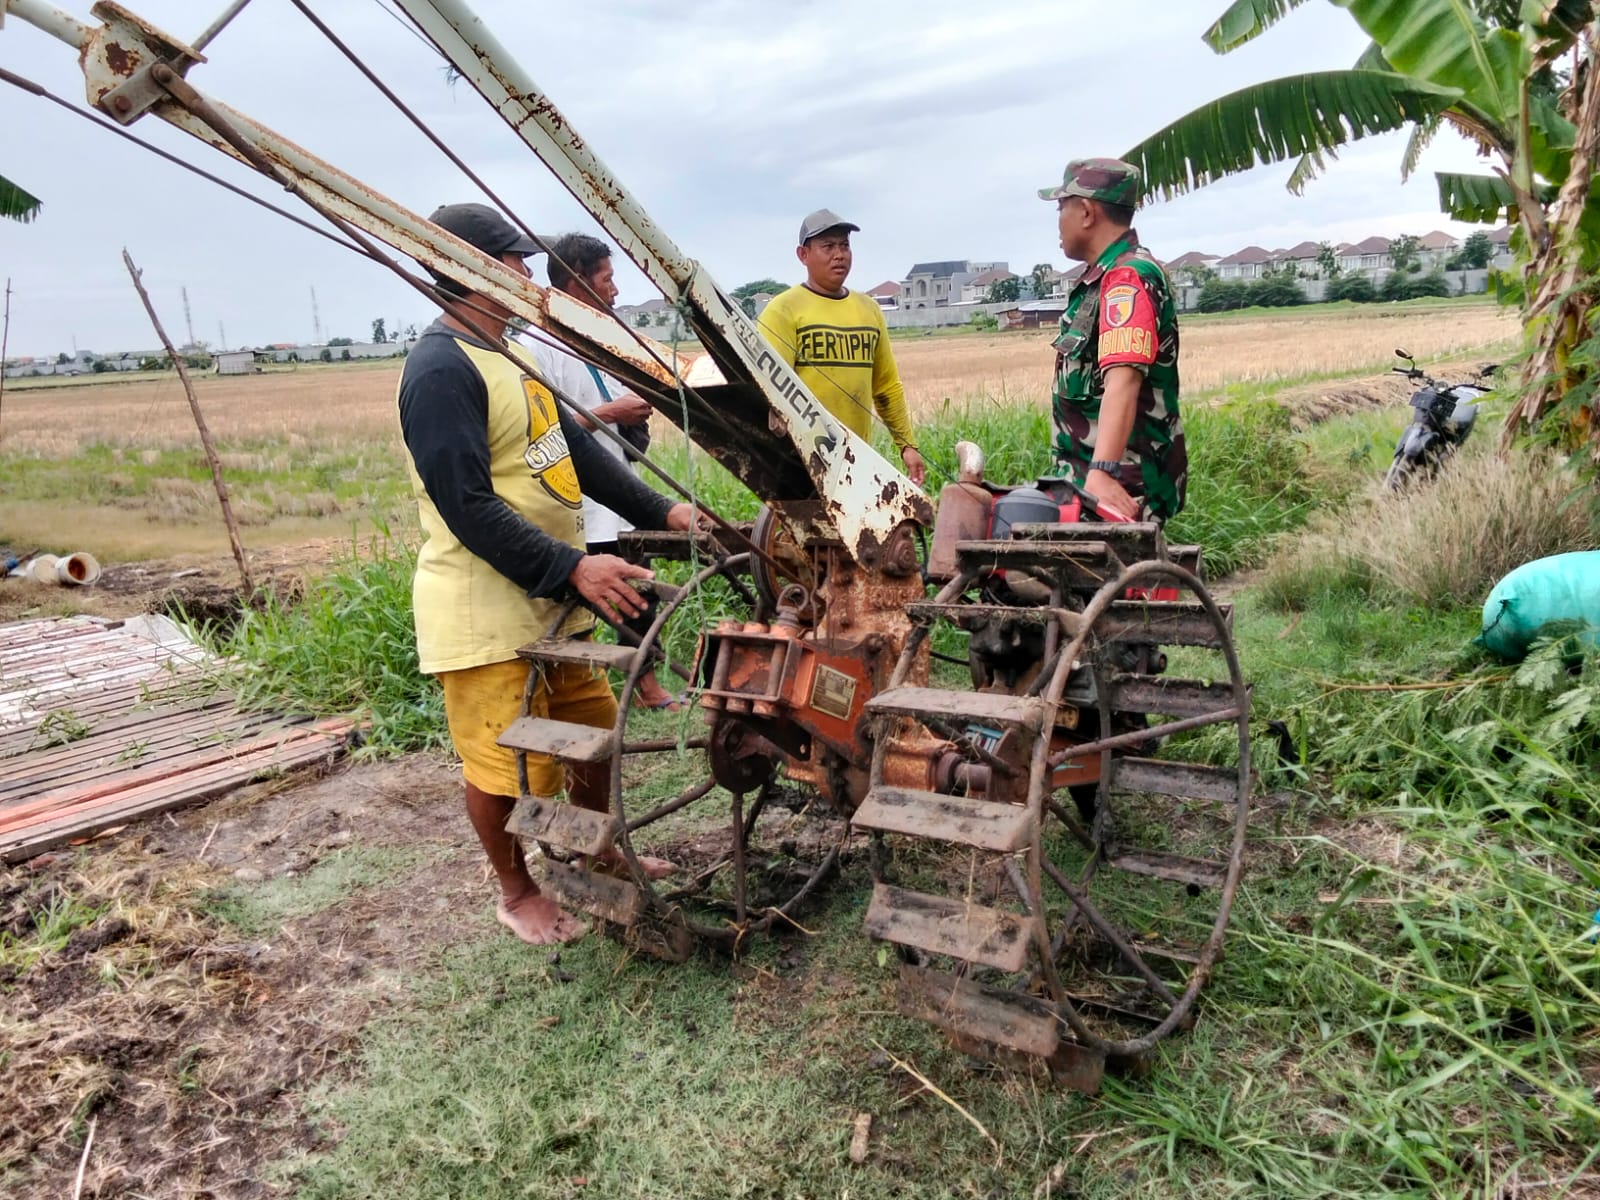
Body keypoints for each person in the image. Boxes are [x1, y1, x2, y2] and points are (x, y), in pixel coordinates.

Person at [398, 202, 696, 946]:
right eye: (514, 262)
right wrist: (572, 564)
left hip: (554, 602)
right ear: (469, 267)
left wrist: (667, 510)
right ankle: (516, 889)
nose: (528, 276)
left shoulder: (507, 354)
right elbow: (464, 504)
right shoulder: (441, 369)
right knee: (503, 763)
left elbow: (581, 455)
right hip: (485, 612)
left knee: (592, 735)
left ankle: (600, 854)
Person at [533, 232, 680, 711]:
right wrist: (613, 413)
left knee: (637, 593)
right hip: (581, 502)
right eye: (606, 279)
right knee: (606, 595)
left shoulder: (599, 342)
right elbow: (545, 429)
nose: (615, 291)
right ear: (577, 285)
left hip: (618, 491)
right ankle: (589, 689)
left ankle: (646, 688)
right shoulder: (539, 349)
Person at [1041, 159, 1185, 522]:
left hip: (1118, 484)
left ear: (1086, 212)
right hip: (1087, 481)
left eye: (1062, 206)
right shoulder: (1103, 277)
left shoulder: (1128, 279)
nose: (1058, 219)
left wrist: (1103, 472)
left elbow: (1123, 380)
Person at [758, 208, 926, 486]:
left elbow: (886, 387)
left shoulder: (869, 310)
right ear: (803, 255)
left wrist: (907, 445)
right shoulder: (782, 311)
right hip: (799, 464)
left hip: (856, 462)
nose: (839, 254)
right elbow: (770, 392)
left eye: (844, 245)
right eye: (828, 246)